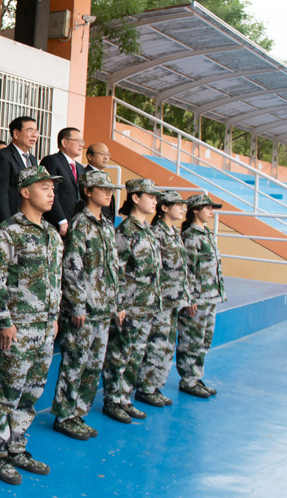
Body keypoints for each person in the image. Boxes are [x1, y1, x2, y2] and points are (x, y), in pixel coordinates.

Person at [0, 165, 62, 486]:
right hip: (16, 329)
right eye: (44, 187)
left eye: (53, 187)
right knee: (5, 391)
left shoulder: (53, 234)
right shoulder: (8, 233)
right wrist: (3, 322)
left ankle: (17, 446)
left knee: (31, 392)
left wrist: (54, 319)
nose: (51, 192)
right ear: (25, 192)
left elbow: (56, 282)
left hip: (44, 329)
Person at [50, 170, 122, 441]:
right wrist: (78, 305)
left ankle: (79, 412)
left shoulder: (105, 224)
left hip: (103, 307)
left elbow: (113, 268)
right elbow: (72, 267)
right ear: (88, 191)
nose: (108, 193)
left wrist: (117, 302)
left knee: (94, 364)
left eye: (110, 189)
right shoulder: (81, 224)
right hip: (85, 309)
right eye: (102, 188)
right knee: (75, 362)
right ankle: (65, 415)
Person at [102, 178, 161, 424]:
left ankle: (125, 398)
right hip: (130, 305)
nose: (155, 201)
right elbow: (116, 270)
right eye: (150, 196)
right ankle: (112, 400)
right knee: (120, 354)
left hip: (146, 304)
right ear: (135, 198)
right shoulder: (126, 231)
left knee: (135, 355)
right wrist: (119, 304)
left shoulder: (146, 229)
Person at [135, 191, 193, 408]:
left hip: (173, 298)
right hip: (160, 298)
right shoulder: (157, 232)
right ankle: (146, 387)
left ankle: (156, 384)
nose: (182, 208)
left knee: (168, 343)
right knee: (157, 343)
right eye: (177, 204)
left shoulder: (174, 232)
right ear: (165, 208)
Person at [178, 193, 226, 398]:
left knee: (204, 340)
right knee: (192, 340)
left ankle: (196, 376)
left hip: (211, 296)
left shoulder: (206, 234)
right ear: (195, 210)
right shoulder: (190, 236)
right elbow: (187, 270)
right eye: (207, 208)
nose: (211, 212)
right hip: (197, 298)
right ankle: (188, 380)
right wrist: (189, 298)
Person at [0, 116, 39, 224]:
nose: (34, 135)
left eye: (36, 131)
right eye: (30, 131)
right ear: (16, 133)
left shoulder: (32, 159)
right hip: (13, 218)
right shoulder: (3, 156)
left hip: (29, 218)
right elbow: (2, 193)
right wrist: (6, 223)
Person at [40, 127, 86, 235]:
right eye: (77, 141)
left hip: (77, 222)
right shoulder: (52, 161)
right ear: (64, 142)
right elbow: (51, 193)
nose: (81, 145)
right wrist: (60, 219)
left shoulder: (80, 168)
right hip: (59, 223)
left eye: (82, 142)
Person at [85, 143, 115, 221]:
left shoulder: (105, 176)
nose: (106, 158)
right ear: (90, 156)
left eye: (108, 154)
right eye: (102, 154)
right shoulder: (85, 176)